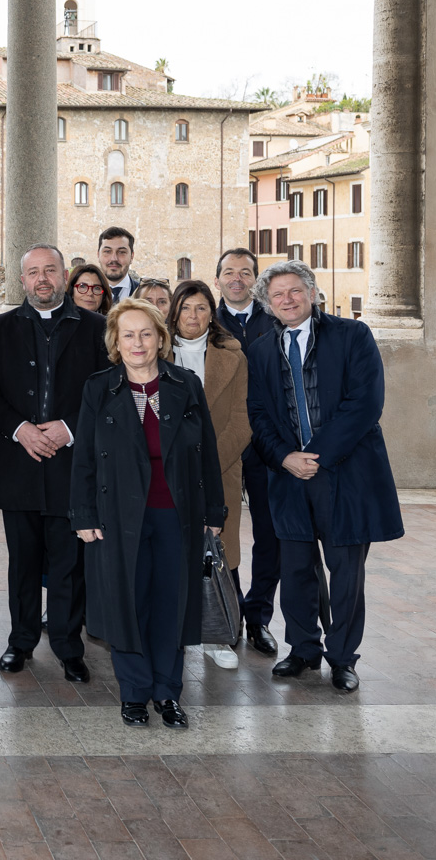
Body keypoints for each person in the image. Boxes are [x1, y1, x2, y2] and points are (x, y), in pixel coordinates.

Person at [246, 260, 403, 693]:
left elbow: (366, 403)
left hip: (346, 475)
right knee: (296, 571)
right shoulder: (259, 351)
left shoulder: (353, 336)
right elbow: (257, 416)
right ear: (269, 305)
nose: (288, 300)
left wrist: (316, 454)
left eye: (295, 291)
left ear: (313, 293)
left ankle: (342, 658)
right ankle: (302, 650)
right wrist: (284, 458)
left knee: (346, 572)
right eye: (278, 296)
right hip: (289, 478)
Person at [71, 299, 226, 729]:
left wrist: (215, 509)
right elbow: (83, 457)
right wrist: (83, 515)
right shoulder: (98, 388)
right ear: (115, 343)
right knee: (128, 605)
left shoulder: (186, 385)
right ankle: (135, 694)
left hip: (178, 516)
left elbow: (207, 452)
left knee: (170, 607)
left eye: (145, 334)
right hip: (118, 519)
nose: (137, 342)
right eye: (128, 335)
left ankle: (167, 694)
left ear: (161, 339)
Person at [0, 245, 109, 682]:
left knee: (69, 564)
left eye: (50, 270)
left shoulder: (96, 328)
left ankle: (69, 647)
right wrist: (20, 429)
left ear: (65, 275)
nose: (42, 279)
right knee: (24, 563)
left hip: (73, 465)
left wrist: (69, 428)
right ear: (23, 279)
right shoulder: (2, 326)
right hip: (21, 464)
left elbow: (107, 391)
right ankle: (21, 641)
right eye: (33, 272)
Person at [163, 278, 252, 671]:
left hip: (220, 468)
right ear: (174, 311)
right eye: (185, 307)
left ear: (211, 313)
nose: (193, 316)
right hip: (164, 470)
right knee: (170, 553)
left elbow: (241, 418)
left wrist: (208, 463)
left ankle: (219, 635)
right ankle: (174, 634)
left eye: (201, 308)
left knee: (219, 553)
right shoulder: (156, 351)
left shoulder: (232, 354)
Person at [214, 247, 280, 655]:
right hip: (222, 445)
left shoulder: (274, 318)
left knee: (270, 536)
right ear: (217, 278)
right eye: (228, 272)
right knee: (221, 535)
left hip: (267, 446)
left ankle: (258, 617)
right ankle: (230, 613)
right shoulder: (202, 319)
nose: (236, 279)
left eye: (245, 272)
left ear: (255, 279)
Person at [96, 228, 138, 305]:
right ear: (98, 255)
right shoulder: (86, 295)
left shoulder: (143, 294)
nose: (114, 259)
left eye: (121, 252)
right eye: (107, 251)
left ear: (132, 257)